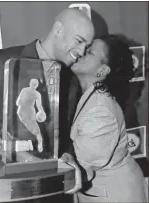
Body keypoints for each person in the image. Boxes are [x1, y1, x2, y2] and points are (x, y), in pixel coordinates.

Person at [0, 8, 94, 203]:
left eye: (87, 46)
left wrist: (68, 156)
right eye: (79, 41)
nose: (82, 52)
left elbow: (63, 135)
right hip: (3, 192)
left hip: (51, 193)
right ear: (58, 29)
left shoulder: (70, 80)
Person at [69, 35, 148, 202]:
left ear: (103, 71)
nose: (81, 52)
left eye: (89, 52)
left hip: (115, 196)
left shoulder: (101, 110)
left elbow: (79, 167)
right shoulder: (85, 95)